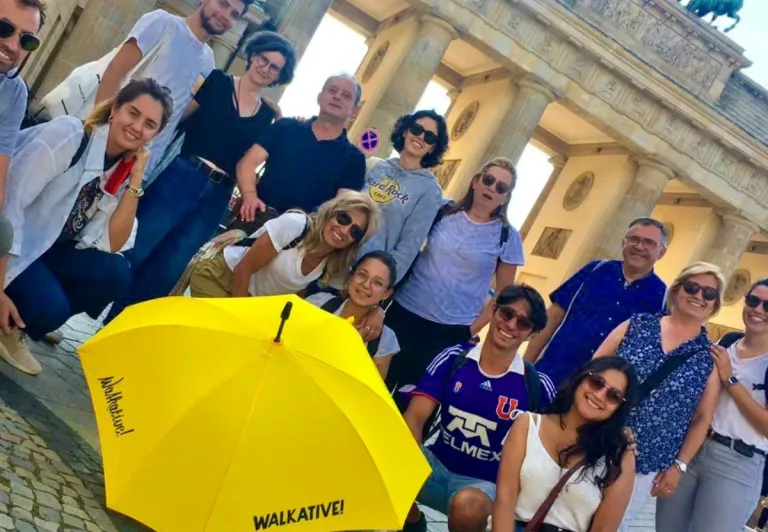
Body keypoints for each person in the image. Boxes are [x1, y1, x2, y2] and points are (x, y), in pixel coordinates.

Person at [103, 32, 296, 323]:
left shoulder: (268, 115)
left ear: (279, 76)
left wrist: (282, 122)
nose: (265, 68)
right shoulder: (217, 81)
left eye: (274, 68)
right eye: (263, 59)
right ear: (253, 55)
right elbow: (176, 121)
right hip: (183, 175)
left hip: (217, 195)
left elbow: (261, 158)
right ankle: (88, 302)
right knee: (137, 248)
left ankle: (120, 327)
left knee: (170, 268)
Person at [0, 79, 173, 375]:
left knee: (116, 274)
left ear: (154, 135)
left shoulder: (123, 167)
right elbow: (10, 207)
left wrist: (136, 179)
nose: (137, 127)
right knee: (50, 309)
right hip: (14, 243)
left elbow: (113, 244)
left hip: (50, 249)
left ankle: (27, 320)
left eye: (149, 124)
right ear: (115, 109)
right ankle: (19, 317)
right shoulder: (69, 135)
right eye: (133, 113)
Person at [401, 284, 548, 532]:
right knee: (382, 459)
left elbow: (563, 434)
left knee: (467, 506)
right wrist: (401, 467)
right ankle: (413, 523)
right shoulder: (453, 358)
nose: (511, 325)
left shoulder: (535, 384)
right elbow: (414, 417)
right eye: (507, 314)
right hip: (435, 467)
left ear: (532, 333)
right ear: (493, 311)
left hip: (485, 488)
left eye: (523, 323)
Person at [593, 262, 724, 530]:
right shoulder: (638, 325)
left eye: (709, 294)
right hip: (598, 438)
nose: (699, 296)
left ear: (714, 305)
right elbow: (594, 368)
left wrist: (679, 466)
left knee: (615, 526)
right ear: (677, 290)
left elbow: (702, 418)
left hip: (647, 461)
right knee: (566, 513)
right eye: (692, 287)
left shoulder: (708, 358)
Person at [384, 157, 525, 406]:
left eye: (501, 187)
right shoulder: (442, 210)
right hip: (404, 313)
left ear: (506, 197)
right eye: (488, 180)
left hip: (450, 331)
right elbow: (407, 243)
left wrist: (472, 329)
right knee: (375, 384)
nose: (492, 188)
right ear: (475, 181)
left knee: (412, 406)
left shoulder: (508, 236)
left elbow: (504, 296)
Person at [92, 0, 252, 178]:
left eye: (234, 14)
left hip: (142, 164)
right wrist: (99, 131)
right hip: (109, 142)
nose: (225, 15)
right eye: (223, 4)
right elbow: (116, 69)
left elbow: (181, 113)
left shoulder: (208, 62)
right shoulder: (163, 22)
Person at [657, 278, 768, 532]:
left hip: (736, 461)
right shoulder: (728, 341)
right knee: (666, 528)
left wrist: (730, 379)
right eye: (753, 300)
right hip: (693, 448)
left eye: (767, 306)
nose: (758, 310)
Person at [493, 357, 638, 532]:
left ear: (620, 408)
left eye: (613, 395)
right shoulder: (527, 425)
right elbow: (505, 499)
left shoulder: (619, 456)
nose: (600, 395)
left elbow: (603, 529)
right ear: (582, 377)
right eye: (596, 382)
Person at [528, 217, 668, 397]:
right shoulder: (594, 270)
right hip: (550, 377)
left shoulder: (663, 299)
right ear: (623, 242)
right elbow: (554, 316)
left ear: (661, 252)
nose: (639, 246)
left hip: (599, 395)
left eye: (649, 243)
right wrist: (526, 365)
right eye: (634, 239)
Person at [188, 192, 378, 298]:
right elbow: (243, 268)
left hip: (250, 301)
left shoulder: (334, 263)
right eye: (343, 218)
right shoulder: (296, 225)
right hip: (220, 276)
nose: (344, 230)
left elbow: (355, 294)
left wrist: (376, 314)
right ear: (331, 213)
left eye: (355, 231)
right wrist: (241, 318)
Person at [235, 74, 366, 219]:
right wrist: (249, 196)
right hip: (255, 216)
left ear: (355, 111)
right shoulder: (285, 127)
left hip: (303, 235)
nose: (337, 96)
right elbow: (247, 163)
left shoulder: (354, 159)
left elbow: (340, 206)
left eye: (346, 95)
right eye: (332, 90)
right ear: (319, 97)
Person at [358, 110, 447, 284]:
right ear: (406, 130)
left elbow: (409, 246)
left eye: (429, 137)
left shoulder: (429, 190)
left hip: (366, 277)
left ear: (433, 148)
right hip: (335, 258)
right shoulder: (375, 166)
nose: (420, 137)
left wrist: (382, 284)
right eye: (416, 129)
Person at [306, 250, 399, 379]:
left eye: (377, 283)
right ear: (350, 276)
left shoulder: (384, 339)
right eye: (362, 275)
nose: (366, 285)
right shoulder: (319, 303)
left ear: (386, 293)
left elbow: (369, 390)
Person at [0, 0, 45, 254]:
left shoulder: (14, 93)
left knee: (3, 233)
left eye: (27, 40)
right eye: (3, 28)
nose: (12, 45)